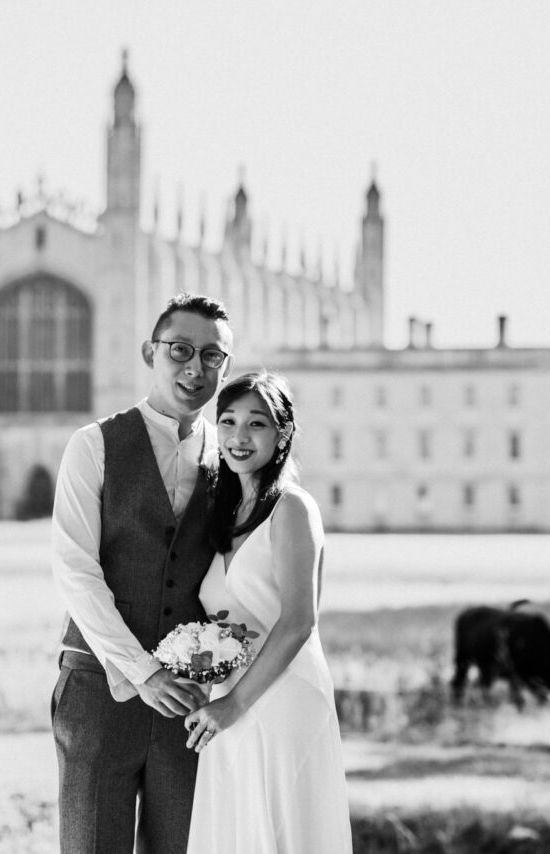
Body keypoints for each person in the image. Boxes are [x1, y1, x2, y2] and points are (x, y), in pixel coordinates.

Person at [51, 292, 235, 854]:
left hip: (188, 702)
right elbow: (76, 570)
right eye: (180, 350)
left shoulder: (231, 460)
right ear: (148, 352)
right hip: (98, 692)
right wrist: (141, 672)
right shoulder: (93, 446)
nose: (195, 368)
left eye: (212, 356)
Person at [182, 370, 353, 853]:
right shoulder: (222, 511)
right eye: (229, 421)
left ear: (283, 434)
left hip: (282, 694)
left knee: (280, 832)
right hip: (228, 701)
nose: (239, 437)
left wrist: (232, 706)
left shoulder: (292, 508)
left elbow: (299, 621)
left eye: (256, 424)